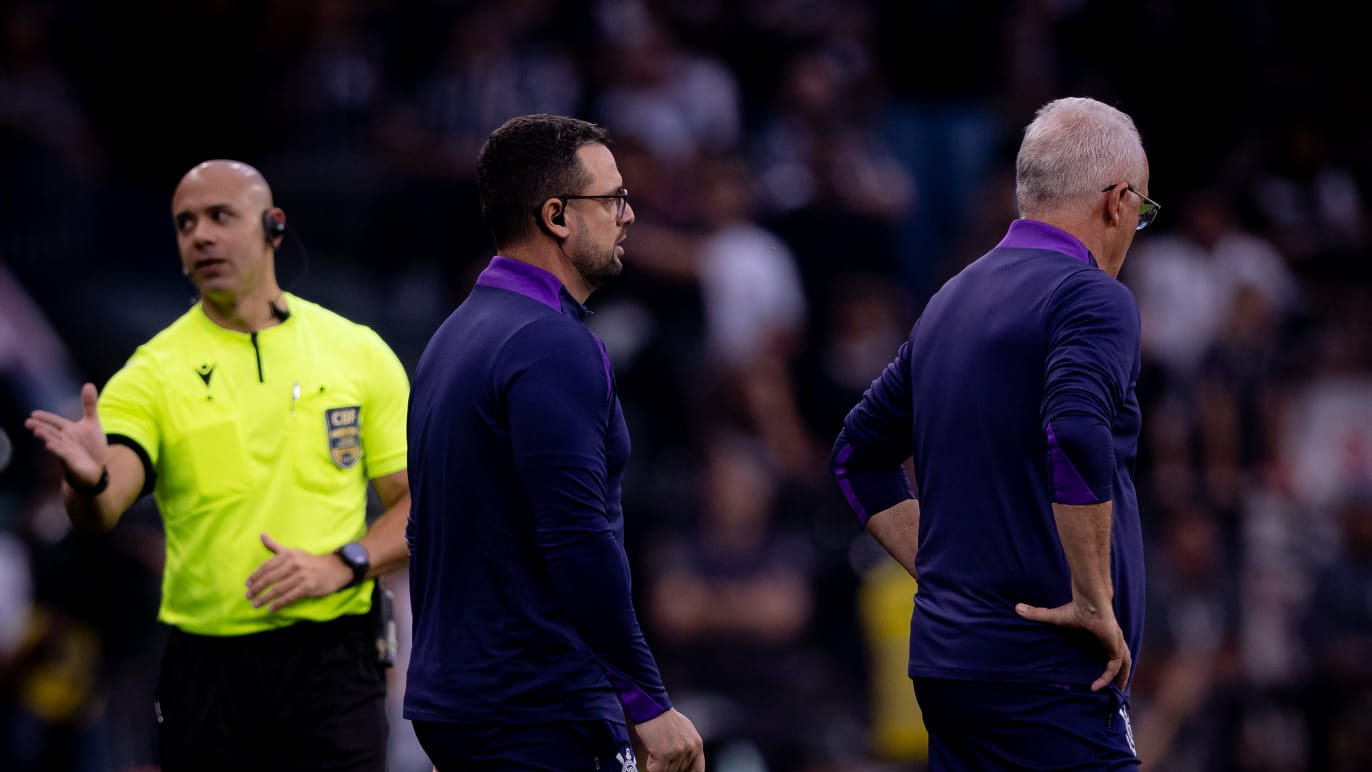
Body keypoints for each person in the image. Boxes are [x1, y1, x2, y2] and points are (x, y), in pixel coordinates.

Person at [24, 159, 412, 772]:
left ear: (273, 227)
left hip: (334, 664)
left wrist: (345, 564)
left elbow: (420, 506)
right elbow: (103, 505)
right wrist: (87, 477)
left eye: (220, 216)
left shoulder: (358, 352)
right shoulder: (150, 373)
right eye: (185, 223)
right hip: (207, 671)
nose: (200, 234)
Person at [830, 97, 1155, 770]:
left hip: (953, 669)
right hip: (1049, 672)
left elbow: (857, 457)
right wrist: (1094, 599)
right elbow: (1073, 433)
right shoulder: (1091, 296)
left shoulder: (952, 298)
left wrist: (954, 581)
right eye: (1143, 212)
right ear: (1118, 200)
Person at [404, 114, 704, 772]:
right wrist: (648, 701)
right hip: (537, 707)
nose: (628, 215)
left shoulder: (452, 338)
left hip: (459, 700)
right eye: (613, 198)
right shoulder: (550, 344)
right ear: (558, 216)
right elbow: (575, 535)